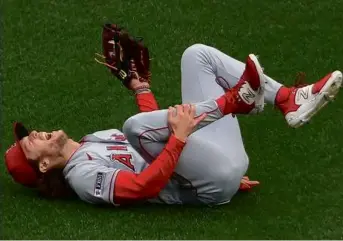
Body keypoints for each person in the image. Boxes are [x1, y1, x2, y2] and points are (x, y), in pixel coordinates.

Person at [4, 44, 342, 206]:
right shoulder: (80, 176)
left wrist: (141, 89)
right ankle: (233, 101)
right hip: (205, 188)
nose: (32, 133)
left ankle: (287, 98)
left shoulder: (94, 140)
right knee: (135, 127)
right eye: (27, 145)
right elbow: (140, 187)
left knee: (196, 56)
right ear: (44, 165)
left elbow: (152, 132)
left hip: (215, 166)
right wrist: (180, 140)